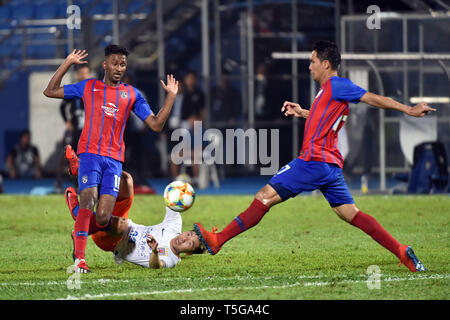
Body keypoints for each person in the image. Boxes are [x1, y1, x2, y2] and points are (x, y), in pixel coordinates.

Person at [194, 40, 436, 273]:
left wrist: (408, 109)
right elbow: (324, 119)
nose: (309, 67)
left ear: (326, 64)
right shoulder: (325, 92)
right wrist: (302, 112)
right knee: (351, 214)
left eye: (312, 61)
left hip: (313, 161)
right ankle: (402, 251)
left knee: (264, 197)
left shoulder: (337, 85)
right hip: (329, 166)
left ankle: (217, 240)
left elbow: (371, 97)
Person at [43, 45, 179, 273]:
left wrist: (171, 97)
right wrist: (67, 62)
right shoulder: (89, 87)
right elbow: (50, 91)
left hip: (114, 160)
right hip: (89, 154)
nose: (119, 68)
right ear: (104, 64)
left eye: (123, 64)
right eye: (114, 63)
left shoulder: (132, 94)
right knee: (89, 200)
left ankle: (76, 212)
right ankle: (79, 261)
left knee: (104, 218)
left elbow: (156, 125)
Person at [64, 169, 205, 270]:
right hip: (123, 222)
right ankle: (87, 172)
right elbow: (173, 201)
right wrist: (180, 190)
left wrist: (155, 252)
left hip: (111, 241)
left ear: (189, 252)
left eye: (190, 244)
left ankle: (79, 214)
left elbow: (156, 266)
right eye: (189, 235)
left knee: (120, 224)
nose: (185, 239)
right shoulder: (174, 225)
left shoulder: (172, 259)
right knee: (126, 180)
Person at [55, 65, 93, 192]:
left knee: (86, 157)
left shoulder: (94, 89)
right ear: (77, 75)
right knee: (66, 152)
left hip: (88, 130)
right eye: (81, 73)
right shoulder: (75, 90)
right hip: (75, 129)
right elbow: (62, 107)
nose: (84, 76)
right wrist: (67, 122)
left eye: (86, 73)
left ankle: (82, 184)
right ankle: (58, 183)